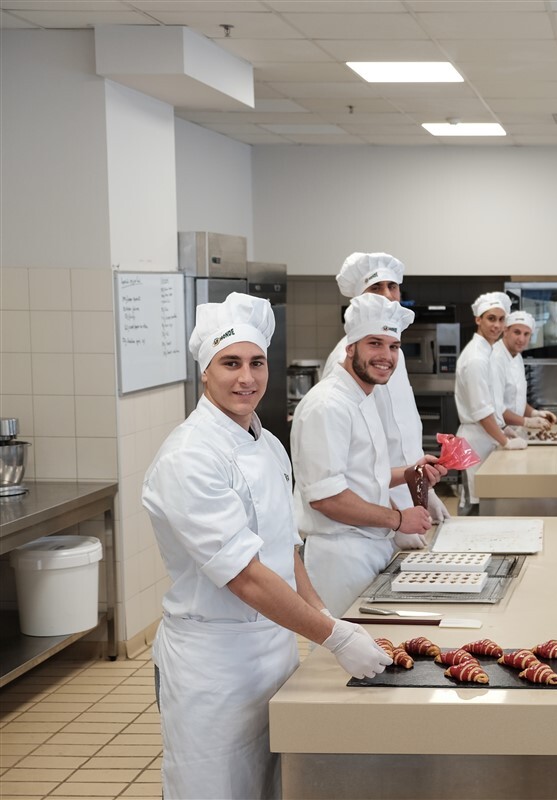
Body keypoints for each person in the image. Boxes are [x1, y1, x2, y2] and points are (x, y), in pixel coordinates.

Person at [143, 293, 391, 799]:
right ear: (205, 373)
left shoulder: (268, 442)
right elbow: (245, 576)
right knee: (214, 788)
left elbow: (284, 548)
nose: (246, 378)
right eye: (230, 363)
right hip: (214, 664)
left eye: (257, 363)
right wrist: (334, 637)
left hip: (274, 649)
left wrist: (323, 613)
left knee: (273, 785)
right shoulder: (189, 457)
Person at [293, 293, 440, 617]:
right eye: (375, 344)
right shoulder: (328, 406)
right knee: (343, 649)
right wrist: (399, 519)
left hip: (371, 546)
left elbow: (362, 476)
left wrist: (409, 473)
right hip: (340, 558)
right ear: (350, 348)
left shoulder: (363, 397)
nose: (386, 356)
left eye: (393, 346)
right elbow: (327, 499)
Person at [320, 251, 450, 522]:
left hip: (405, 495)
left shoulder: (393, 355)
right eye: (376, 288)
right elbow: (349, 467)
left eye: (392, 286)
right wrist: (394, 515)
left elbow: (403, 428)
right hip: (372, 506)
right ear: (358, 299)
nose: (388, 296)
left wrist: (424, 491)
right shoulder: (345, 361)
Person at [455, 291, 526, 512]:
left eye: (501, 319)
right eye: (491, 318)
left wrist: (503, 428)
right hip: (474, 441)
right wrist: (506, 442)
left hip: (486, 437)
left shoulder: (487, 353)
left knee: (484, 503)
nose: (496, 325)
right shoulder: (476, 358)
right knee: (471, 503)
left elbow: (492, 403)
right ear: (478, 319)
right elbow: (481, 410)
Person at [492, 309, 557, 433]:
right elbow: (495, 409)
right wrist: (526, 422)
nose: (521, 339)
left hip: (512, 431)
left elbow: (516, 400)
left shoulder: (517, 357)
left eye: (526, 334)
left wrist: (534, 413)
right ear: (505, 331)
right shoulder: (495, 358)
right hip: (494, 434)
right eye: (517, 332)